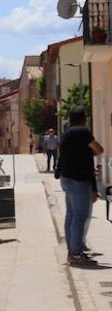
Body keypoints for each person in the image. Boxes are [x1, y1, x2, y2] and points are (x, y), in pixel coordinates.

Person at [56, 107, 104, 267]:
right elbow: (99, 149)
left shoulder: (66, 134)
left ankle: (72, 250)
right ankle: (76, 253)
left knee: (71, 215)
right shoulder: (83, 132)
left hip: (66, 178)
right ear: (84, 119)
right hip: (79, 180)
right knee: (80, 216)